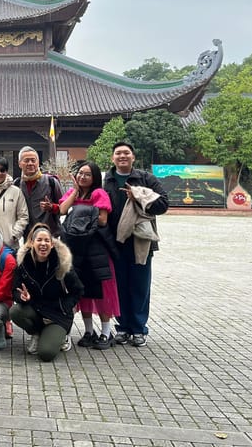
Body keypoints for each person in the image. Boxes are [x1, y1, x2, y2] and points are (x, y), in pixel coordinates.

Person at [103, 142, 169, 348]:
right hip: (116, 242)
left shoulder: (146, 178)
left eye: (126, 153)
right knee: (120, 286)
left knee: (140, 285)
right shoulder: (108, 180)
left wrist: (140, 198)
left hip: (140, 242)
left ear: (133, 156)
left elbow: (163, 204)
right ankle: (123, 327)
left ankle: (139, 328)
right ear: (113, 158)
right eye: (118, 153)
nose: (122, 156)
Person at [58, 161, 120, 350]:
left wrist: (76, 213)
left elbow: (102, 220)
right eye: (80, 173)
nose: (83, 177)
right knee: (82, 290)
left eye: (87, 174)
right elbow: (62, 210)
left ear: (94, 178)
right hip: (76, 247)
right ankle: (88, 331)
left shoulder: (98, 194)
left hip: (96, 247)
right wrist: (76, 193)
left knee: (102, 290)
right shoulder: (73, 193)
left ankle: (106, 333)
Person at [10, 224, 83, 362]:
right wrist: (22, 297)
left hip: (57, 314)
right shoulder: (23, 263)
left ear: (52, 244)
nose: (43, 244)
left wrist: (63, 307)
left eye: (47, 241)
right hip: (36, 309)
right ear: (31, 242)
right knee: (15, 311)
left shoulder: (61, 263)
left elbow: (78, 290)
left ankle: (62, 337)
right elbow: (15, 289)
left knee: (46, 354)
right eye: (39, 240)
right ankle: (37, 333)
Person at [15, 146, 63, 237]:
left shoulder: (51, 182)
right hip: (28, 237)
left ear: (38, 162)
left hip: (50, 235)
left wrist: (52, 207)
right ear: (19, 163)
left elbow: (64, 208)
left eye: (33, 160)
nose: (30, 163)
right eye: (26, 160)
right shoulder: (17, 184)